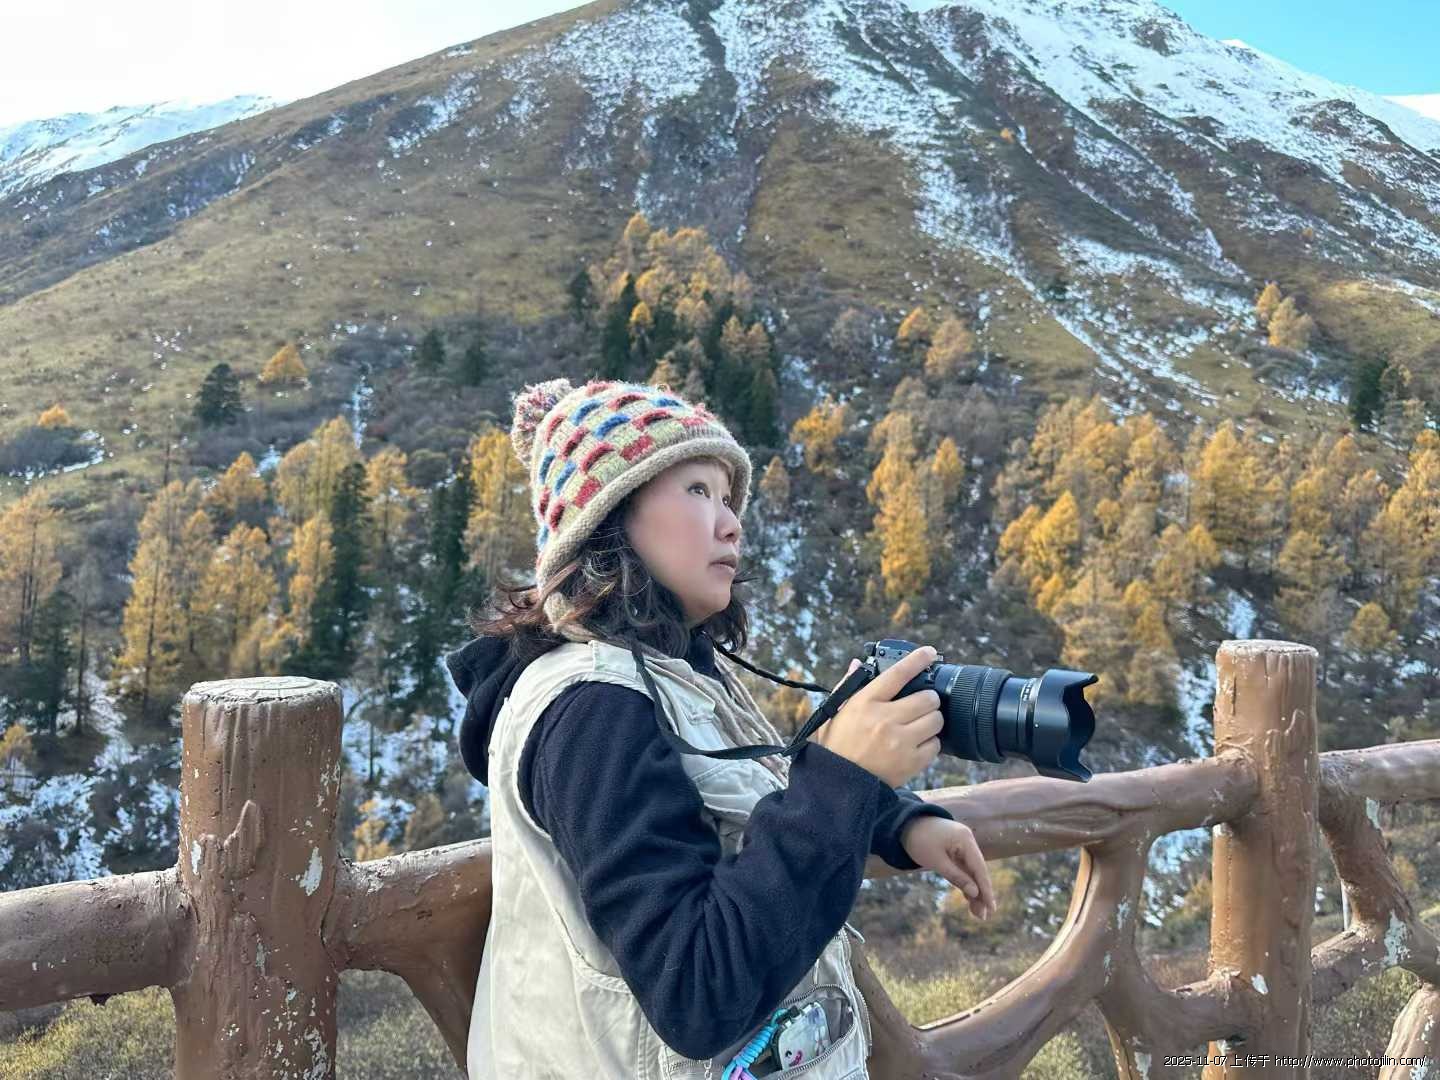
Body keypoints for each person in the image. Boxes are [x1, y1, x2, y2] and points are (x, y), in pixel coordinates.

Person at [445, 377, 995, 1079]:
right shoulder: (591, 712)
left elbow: (743, 794)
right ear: (607, 518)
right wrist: (845, 780)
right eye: (698, 490)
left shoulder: (674, 675)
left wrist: (896, 820)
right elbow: (696, 991)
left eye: (730, 498)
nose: (732, 523)